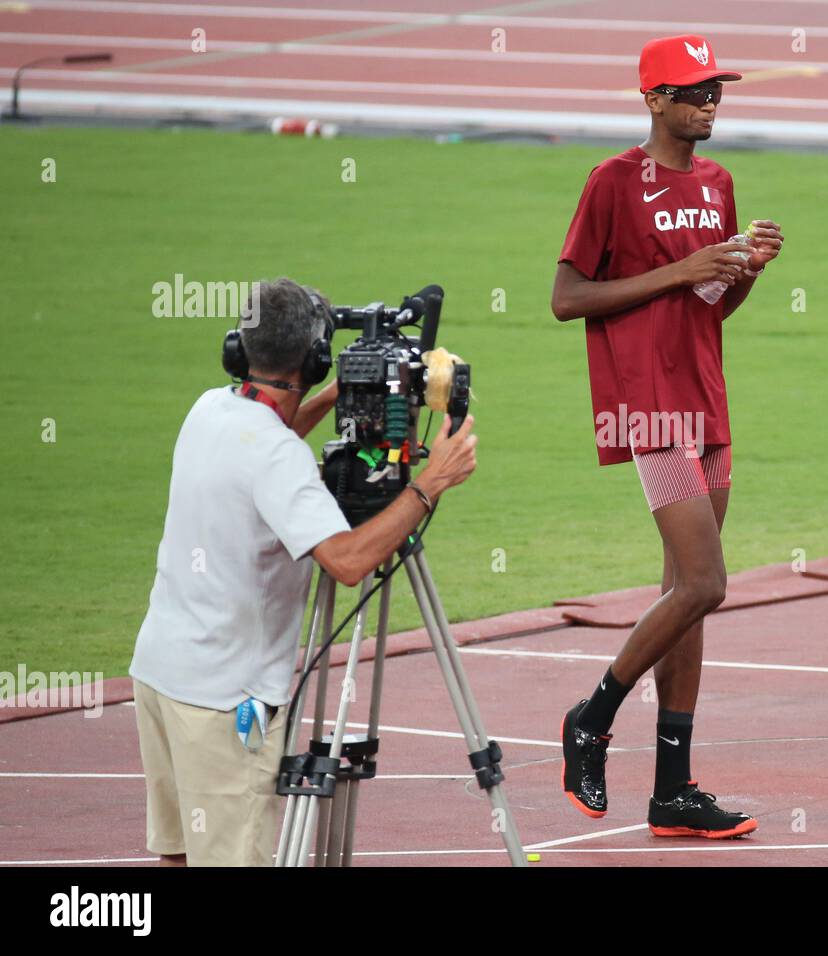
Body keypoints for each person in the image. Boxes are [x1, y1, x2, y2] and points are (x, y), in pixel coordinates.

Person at [129, 277, 478, 866]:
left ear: (240, 350)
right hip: (223, 702)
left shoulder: (210, 408)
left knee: (182, 855)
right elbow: (346, 562)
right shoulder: (277, 457)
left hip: (161, 678)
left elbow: (265, 445)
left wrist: (338, 393)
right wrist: (429, 482)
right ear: (315, 359)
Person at [550, 34, 784, 838]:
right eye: (692, 92)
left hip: (707, 398)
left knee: (688, 597)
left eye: (715, 88)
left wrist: (743, 270)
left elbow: (710, 305)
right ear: (653, 99)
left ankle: (672, 790)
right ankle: (591, 716)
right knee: (704, 583)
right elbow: (566, 297)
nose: (709, 102)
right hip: (647, 403)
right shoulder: (612, 181)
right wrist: (679, 272)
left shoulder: (718, 183)